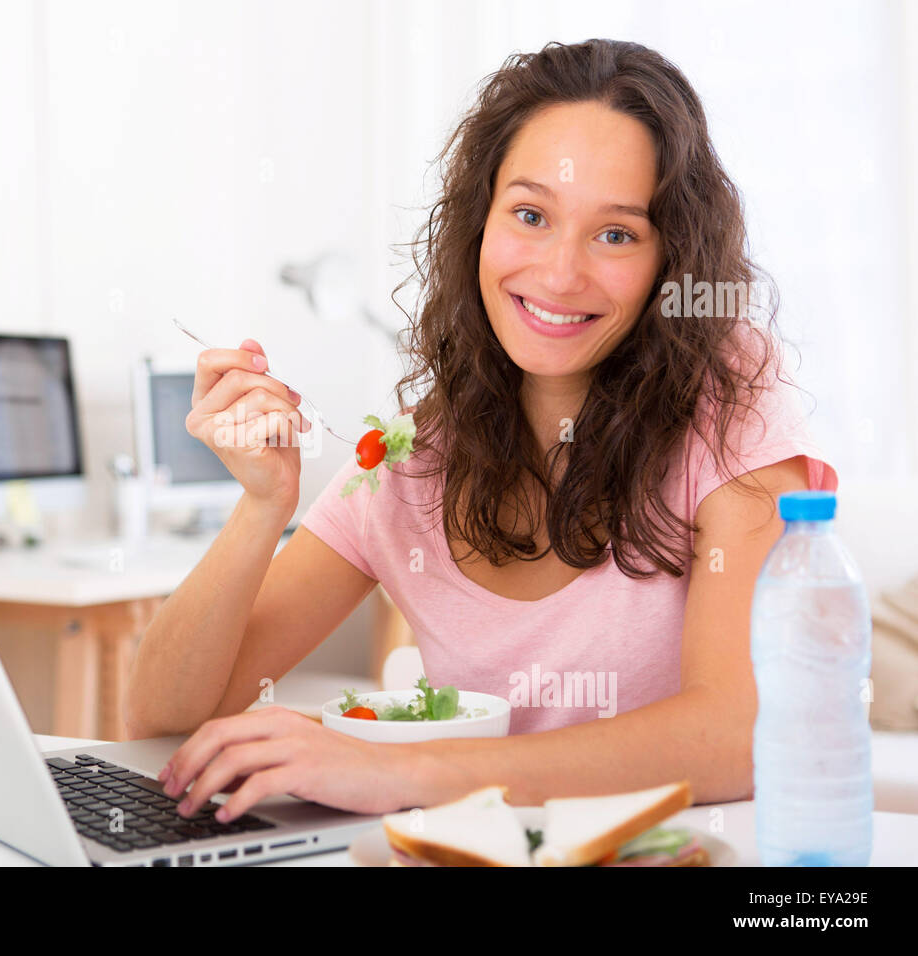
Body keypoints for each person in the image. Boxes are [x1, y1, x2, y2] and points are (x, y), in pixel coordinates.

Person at [123, 38, 835, 823]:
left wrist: (401, 772)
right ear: (479, 224)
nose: (560, 274)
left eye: (617, 234)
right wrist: (262, 508)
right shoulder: (410, 458)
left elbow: (737, 738)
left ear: (671, 261)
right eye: (530, 215)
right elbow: (162, 720)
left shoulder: (729, 397)